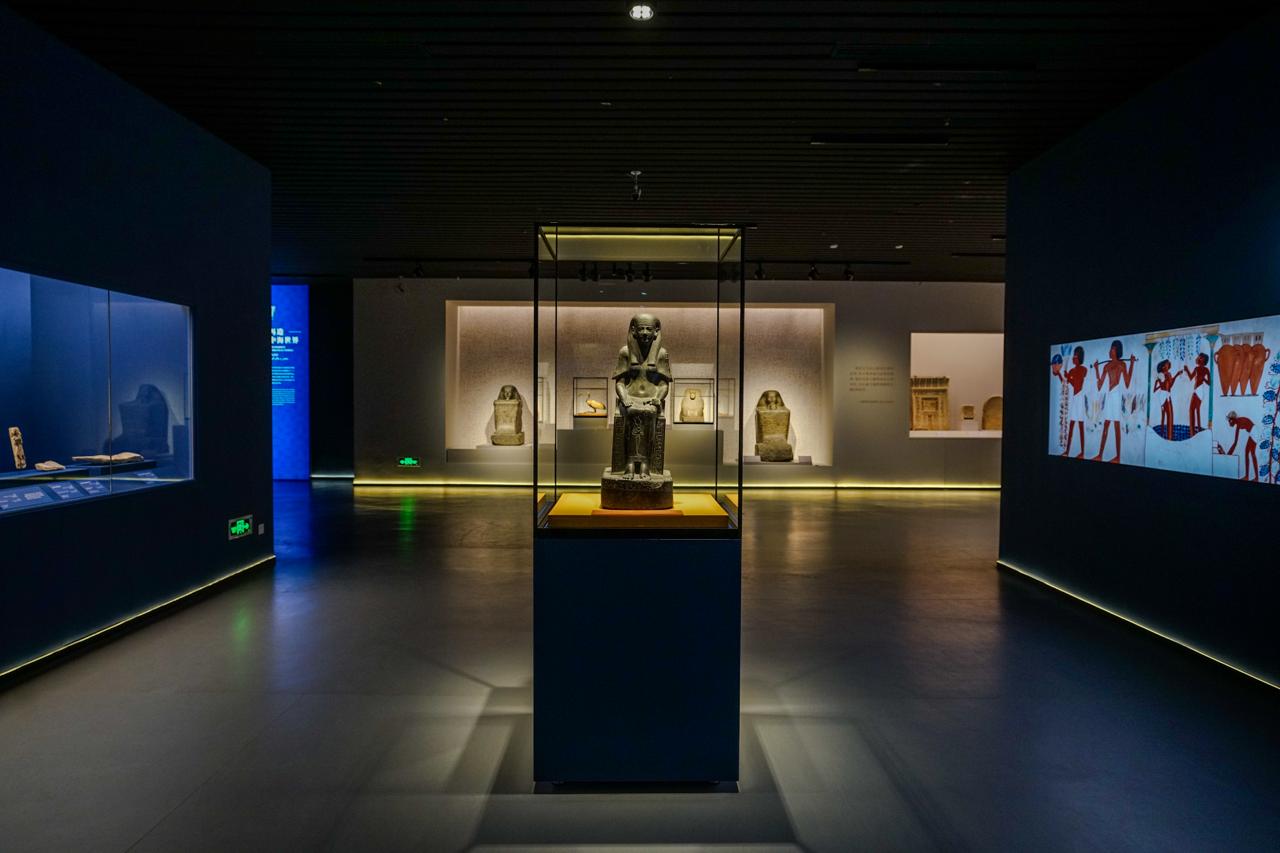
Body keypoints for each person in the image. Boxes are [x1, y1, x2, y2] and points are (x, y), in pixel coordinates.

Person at [1092, 340, 1137, 463]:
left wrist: (1132, 364)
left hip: (1116, 395)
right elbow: (1099, 386)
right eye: (1110, 349)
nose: (1110, 351)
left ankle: (1118, 457)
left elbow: (1127, 383)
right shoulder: (1106, 366)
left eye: (1112, 349)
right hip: (1109, 396)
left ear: (1116, 350)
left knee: (1116, 426)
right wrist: (1096, 369)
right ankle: (1100, 455)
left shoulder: (1122, 364)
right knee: (1106, 424)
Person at [1055, 346, 1088, 457]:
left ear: (1080, 358)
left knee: (1081, 425)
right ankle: (1067, 452)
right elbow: (1065, 384)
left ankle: (1082, 452)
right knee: (1072, 425)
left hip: (1080, 398)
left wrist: (1069, 376)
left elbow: (1077, 382)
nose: (1073, 358)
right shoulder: (1072, 371)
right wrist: (1061, 374)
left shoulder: (1083, 369)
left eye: (1075, 356)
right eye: (1073, 356)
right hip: (1075, 399)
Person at [1224, 410, 1259, 482]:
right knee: (1247, 453)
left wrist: (1228, 454)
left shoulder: (1239, 423)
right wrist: (1229, 454)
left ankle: (1256, 478)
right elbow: (1235, 442)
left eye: (1230, 421)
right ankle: (1248, 476)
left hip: (1254, 432)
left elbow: (1235, 442)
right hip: (1252, 433)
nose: (1229, 423)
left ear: (1233, 419)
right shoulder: (1238, 423)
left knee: (1252, 454)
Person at [1180, 352, 1211, 434]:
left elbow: (1209, 383)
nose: (1198, 358)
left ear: (1203, 360)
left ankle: (1194, 431)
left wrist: (1203, 379)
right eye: (1199, 357)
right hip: (1197, 390)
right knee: (1195, 410)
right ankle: (1195, 430)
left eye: (1200, 358)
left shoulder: (1205, 369)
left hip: (1199, 390)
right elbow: (1191, 377)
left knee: (1193, 410)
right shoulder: (1197, 369)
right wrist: (1187, 370)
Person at [1152, 359, 1179, 439]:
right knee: (1170, 416)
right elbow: (1170, 385)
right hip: (1166, 396)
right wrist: (1176, 375)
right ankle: (1169, 437)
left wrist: (1161, 385)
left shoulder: (1161, 376)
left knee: (1164, 416)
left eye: (1168, 364)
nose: (1168, 365)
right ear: (1163, 367)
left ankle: (1162, 435)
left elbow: (1155, 389)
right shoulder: (1167, 374)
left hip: (1162, 396)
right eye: (1167, 364)